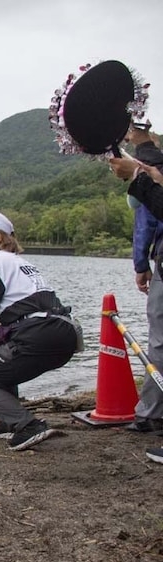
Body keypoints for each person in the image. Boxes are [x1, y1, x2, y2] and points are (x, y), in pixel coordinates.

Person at [0, 212, 78, 452]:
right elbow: (13, 316)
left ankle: (28, 426)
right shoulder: (20, 263)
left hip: (38, 334)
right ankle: (9, 422)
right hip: (63, 332)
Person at [123, 121, 163, 439]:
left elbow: (146, 220)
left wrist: (141, 264)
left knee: (160, 340)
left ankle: (151, 411)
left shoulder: (149, 169)